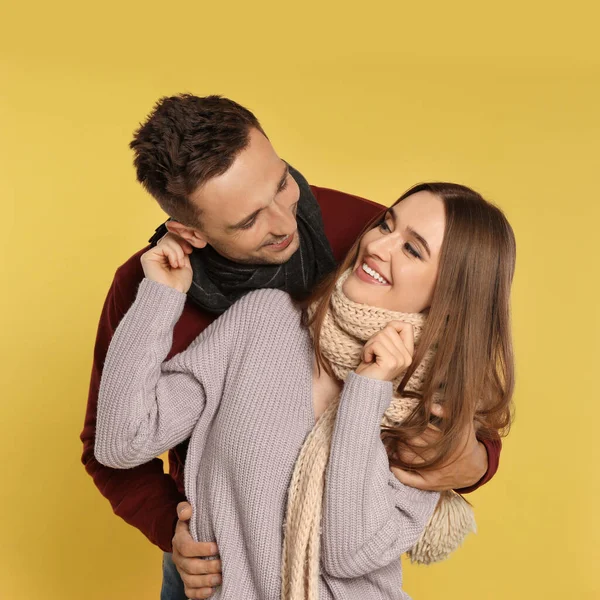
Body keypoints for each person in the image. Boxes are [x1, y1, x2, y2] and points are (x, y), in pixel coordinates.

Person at [80, 94, 502, 600]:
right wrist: (171, 528)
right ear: (191, 231)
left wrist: (468, 457)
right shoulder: (165, 291)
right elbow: (114, 445)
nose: (284, 222)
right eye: (249, 220)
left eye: (283, 183)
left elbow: (465, 382)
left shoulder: (364, 235)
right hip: (216, 565)